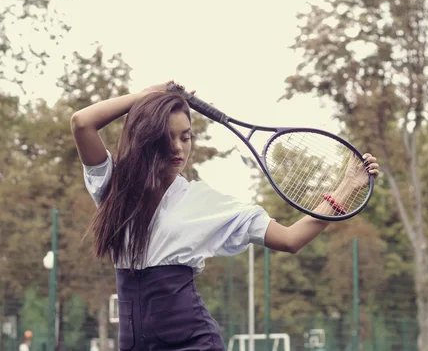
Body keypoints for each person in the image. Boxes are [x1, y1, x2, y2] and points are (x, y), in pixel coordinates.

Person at [71, 81, 380, 351]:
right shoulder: (115, 189)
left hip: (193, 343)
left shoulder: (204, 203)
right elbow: (82, 122)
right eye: (168, 137)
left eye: (186, 137)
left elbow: (290, 238)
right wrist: (144, 96)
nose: (179, 148)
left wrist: (347, 188)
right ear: (147, 137)